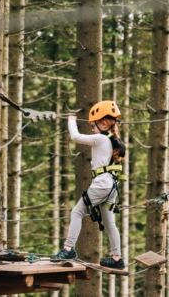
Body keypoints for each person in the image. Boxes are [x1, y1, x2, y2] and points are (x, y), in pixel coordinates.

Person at [50, 100, 126, 269]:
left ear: (104, 123)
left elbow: (75, 137)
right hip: (111, 186)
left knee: (77, 211)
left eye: (93, 126)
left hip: (101, 185)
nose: (92, 129)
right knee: (109, 223)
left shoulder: (100, 138)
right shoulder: (112, 140)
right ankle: (116, 258)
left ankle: (68, 248)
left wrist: (71, 121)